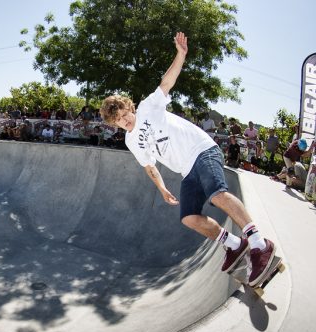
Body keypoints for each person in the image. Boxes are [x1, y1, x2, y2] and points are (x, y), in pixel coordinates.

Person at [100, 32, 276, 287]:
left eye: (126, 114)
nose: (125, 120)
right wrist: (161, 188)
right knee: (189, 218)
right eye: (119, 120)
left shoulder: (149, 107)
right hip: (187, 171)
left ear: (131, 107)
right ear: (114, 124)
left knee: (216, 195)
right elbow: (149, 166)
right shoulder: (130, 141)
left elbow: (166, 82)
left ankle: (260, 243)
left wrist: (180, 55)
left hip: (202, 150)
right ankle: (235, 245)